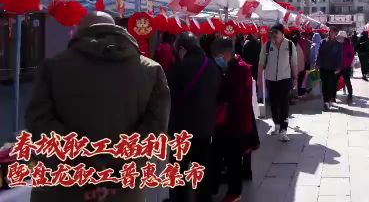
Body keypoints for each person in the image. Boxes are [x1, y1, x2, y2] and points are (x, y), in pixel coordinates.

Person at [26, 12, 170, 202]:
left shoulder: (53, 67)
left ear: (78, 32)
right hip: (123, 189)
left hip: (65, 186)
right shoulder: (151, 70)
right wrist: (114, 169)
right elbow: (155, 129)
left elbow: (39, 122)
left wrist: (85, 164)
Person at [168, 32, 222, 202]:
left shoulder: (178, 68)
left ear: (183, 49)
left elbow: (170, 98)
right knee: (202, 169)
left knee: (179, 170)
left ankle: (180, 199)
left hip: (181, 128)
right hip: (206, 128)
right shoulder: (213, 67)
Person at [210, 38, 260, 202]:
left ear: (226, 53)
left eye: (218, 55)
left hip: (235, 121)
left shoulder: (239, 69)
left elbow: (232, 95)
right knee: (220, 156)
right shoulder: (235, 67)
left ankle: (234, 193)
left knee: (233, 160)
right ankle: (215, 187)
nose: (217, 58)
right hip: (229, 122)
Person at [258, 23, 297, 142]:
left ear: (282, 33)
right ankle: (277, 124)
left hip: (285, 79)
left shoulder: (290, 45)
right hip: (270, 79)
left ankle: (283, 130)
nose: (273, 35)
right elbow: (261, 64)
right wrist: (259, 80)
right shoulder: (267, 45)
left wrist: (296, 78)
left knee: (284, 104)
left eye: (276, 32)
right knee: (273, 104)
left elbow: (294, 63)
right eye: (272, 32)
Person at [316, 27, 343, 111]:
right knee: (324, 84)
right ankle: (326, 101)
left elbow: (339, 56)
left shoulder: (338, 44)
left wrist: (338, 67)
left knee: (331, 84)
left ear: (336, 34)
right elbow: (319, 53)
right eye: (331, 32)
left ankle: (330, 98)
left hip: (333, 67)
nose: (332, 34)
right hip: (323, 66)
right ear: (329, 32)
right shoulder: (323, 42)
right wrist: (317, 63)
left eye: (334, 33)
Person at [337, 30, 355, 103]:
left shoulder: (348, 45)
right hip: (338, 66)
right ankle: (332, 96)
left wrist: (347, 63)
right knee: (335, 81)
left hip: (345, 67)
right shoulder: (337, 44)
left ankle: (350, 95)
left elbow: (351, 56)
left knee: (347, 81)